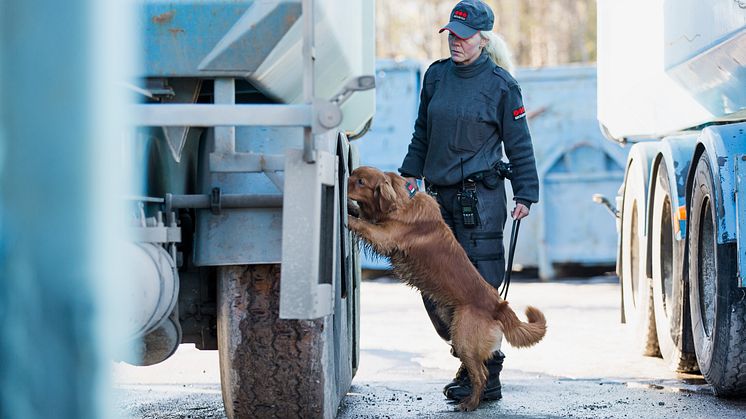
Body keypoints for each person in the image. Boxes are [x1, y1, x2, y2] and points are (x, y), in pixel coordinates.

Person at [398, 0, 539, 403]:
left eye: (463, 36)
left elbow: (520, 145)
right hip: (436, 203)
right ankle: (466, 354)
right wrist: (411, 172)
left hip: (482, 203)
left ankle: (484, 373)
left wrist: (526, 192)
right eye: (451, 35)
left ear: (483, 38)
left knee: (479, 292)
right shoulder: (436, 77)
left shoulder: (502, 85)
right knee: (433, 284)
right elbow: (422, 130)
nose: (455, 42)